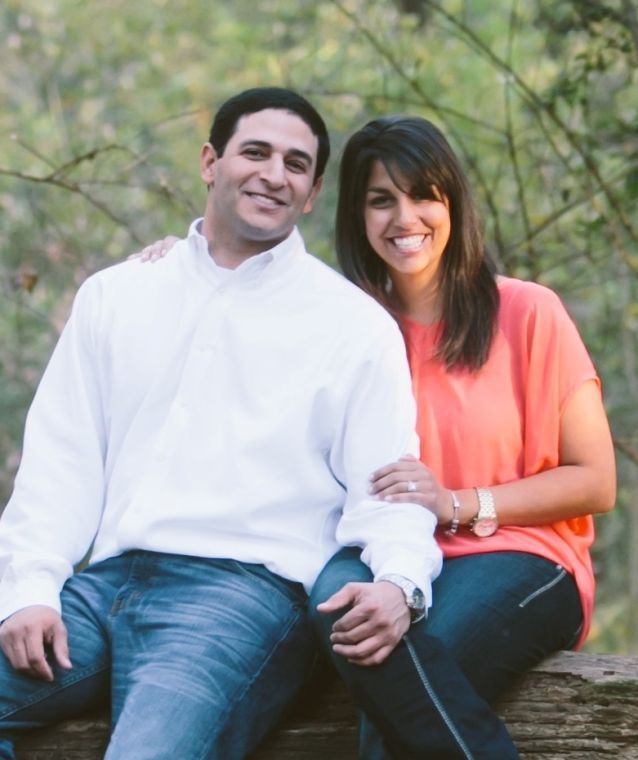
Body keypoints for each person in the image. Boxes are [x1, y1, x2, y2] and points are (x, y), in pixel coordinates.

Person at [0, 89, 516, 760]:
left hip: (240, 602)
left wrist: (399, 583)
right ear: (210, 162)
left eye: (296, 164)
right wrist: (30, 591)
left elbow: (387, 489)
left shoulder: (352, 325)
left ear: (313, 193)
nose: (274, 174)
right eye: (255, 152)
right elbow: (60, 465)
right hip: (97, 591)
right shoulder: (118, 295)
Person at [139, 114, 615, 759]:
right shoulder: (344, 324)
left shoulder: (527, 311)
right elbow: (230, 347)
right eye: (381, 200)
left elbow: (595, 480)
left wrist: (455, 503)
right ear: (356, 216)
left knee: (410, 669)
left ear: (453, 203)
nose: (404, 217)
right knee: (346, 615)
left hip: (520, 553)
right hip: (378, 550)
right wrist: (183, 264)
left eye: (423, 195)